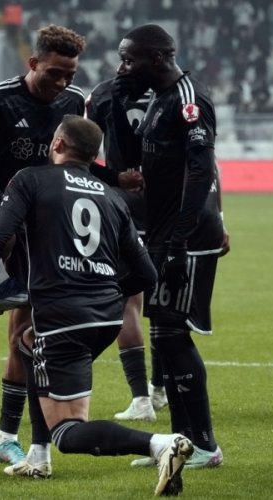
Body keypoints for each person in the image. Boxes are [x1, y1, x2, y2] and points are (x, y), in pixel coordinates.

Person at [0, 115, 193, 495]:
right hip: (105, 318)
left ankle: (161, 445)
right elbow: (147, 274)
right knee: (27, 343)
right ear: (93, 156)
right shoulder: (112, 196)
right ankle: (37, 457)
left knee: (68, 432)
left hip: (63, 317)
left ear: (57, 144)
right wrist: (106, 292)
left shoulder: (30, 179)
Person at [111, 24, 227, 469]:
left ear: (157, 57)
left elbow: (202, 171)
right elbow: (133, 162)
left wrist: (178, 240)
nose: (122, 67)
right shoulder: (158, 98)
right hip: (163, 233)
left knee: (175, 335)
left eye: (129, 59)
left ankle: (205, 446)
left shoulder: (189, 100)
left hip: (187, 236)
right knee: (163, 334)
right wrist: (118, 105)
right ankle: (182, 443)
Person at [85, 78, 167, 422]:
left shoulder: (103, 93)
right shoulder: (171, 89)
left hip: (123, 206)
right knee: (163, 302)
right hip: (167, 206)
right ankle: (159, 389)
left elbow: (83, 154)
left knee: (128, 302)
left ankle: (141, 400)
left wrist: (116, 177)